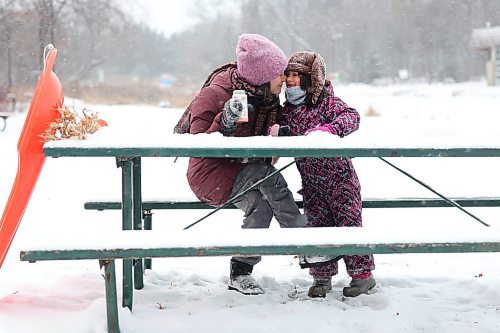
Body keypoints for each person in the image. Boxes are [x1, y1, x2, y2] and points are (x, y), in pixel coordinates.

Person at [176, 34, 306, 295]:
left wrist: (278, 134)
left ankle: (240, 272)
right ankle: (305, 242)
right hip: (209, 174)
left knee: (261, 203)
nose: (283, 79)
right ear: (262, 75)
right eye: (279, 74)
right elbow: (196, 146)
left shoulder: (267, 100)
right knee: (266, 176)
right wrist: (224, 123)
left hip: (243, 170)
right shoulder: (214, 94)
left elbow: (268, 133)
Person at [278, 51, 376, 298]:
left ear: (312, 79)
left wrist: (331, 129)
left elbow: (352, 117)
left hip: (340, 179)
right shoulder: (287, 110)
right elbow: (282, 131)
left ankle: (362, 276)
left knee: (349, 225)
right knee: (318, 228)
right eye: (287, 75)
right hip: (311, 183)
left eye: (296, 76)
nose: (289, 80)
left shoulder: (327, 102)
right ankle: (321, 278)